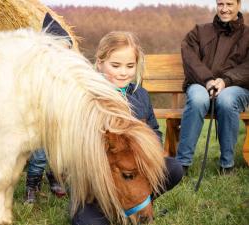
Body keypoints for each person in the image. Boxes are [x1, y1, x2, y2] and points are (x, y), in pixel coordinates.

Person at [72, 31, 183, 225]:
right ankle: (111, 207)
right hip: (98, 182)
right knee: (86, 222)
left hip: (134, 172)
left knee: (174, 169)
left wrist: (147, 148)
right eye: (115, 66)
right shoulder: (88, 97)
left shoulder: (140, 95)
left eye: (130, 66)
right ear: (99, 63)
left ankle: (136, 201)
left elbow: (155, 131)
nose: (123, 72)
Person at [176, 0, 249, 176]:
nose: (224, 9)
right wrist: (208, 80)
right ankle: (181, 166)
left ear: (239, 5)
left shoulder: (248, 34)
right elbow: (190, 59)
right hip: (201, 83)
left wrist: (226, 81)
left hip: (236, 87)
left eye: (229, 4)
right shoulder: (199, 32)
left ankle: (227, 165)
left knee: (226, 99)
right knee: (198, 98)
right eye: (220, 4)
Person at [25, 12, 72, 203]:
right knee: (39, 157)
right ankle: (32, 186)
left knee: (60, 155)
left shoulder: (70, 74)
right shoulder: (37, 74)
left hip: (62, 123)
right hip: (42, 123)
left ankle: (55, 178)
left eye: (66, 50)